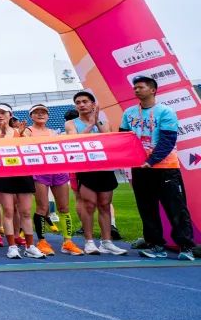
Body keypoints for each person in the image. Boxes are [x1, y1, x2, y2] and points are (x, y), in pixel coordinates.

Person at [119, 77, 194, 260]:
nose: (136, 90)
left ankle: (186, 247)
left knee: (176, 208)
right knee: (147, 209)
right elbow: (123, 138)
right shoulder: (129, 113)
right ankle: (155, 245)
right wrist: (131, 159)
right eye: (135, 88)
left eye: (140, 87)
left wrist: (151, 161)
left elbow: (168, 140)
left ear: (152, 90)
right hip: (140, 168)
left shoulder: (166, 112)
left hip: (165, 168)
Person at [64, 91, 128, 255]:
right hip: (86, 169)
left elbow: (108, 138)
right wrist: (90, 125)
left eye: (85, 101)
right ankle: (89, 242)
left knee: (105, 205)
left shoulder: (104, 122)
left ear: (93, 104)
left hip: (104, 168)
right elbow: (74, 141)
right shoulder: (71, 123)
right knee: (89, 205)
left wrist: (96, 121)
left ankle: (107, 242)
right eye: (78, 102)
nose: (81, 105)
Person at [0, 104, 44, 259]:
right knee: (8, 211)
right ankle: (12, 247)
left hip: (22, 173)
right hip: (3, 174)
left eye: (2, 112)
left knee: (25, 212)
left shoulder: (22, 131)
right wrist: (3, 135)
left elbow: (30, 149)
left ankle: (30, 246)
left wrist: (21, 136)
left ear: (10, 115)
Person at [28, 103, 81, 256]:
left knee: (64, 207)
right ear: (31, 116)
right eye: (37, 112)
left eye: (43, 112)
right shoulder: (27, 132)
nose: (40, 114)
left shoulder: (54, 133)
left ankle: (68, 242)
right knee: (42, 207)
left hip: (58, 171)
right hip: (39, 171)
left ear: (48, 116)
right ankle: (42, 241)